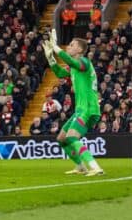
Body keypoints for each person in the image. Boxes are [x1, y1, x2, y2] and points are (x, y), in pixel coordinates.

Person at [43, 29, 104, 176]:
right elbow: (59, 73)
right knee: (62, 139)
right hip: (81, 109)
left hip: (88, 108)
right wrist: (50, 57)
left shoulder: (84, 62)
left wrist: (56, 48)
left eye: (71, 45)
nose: (68, 47)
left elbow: (70, 61)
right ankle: (80, 166)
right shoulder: (74, 67)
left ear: (80, 49)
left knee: (72, 137)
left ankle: (95, 167)